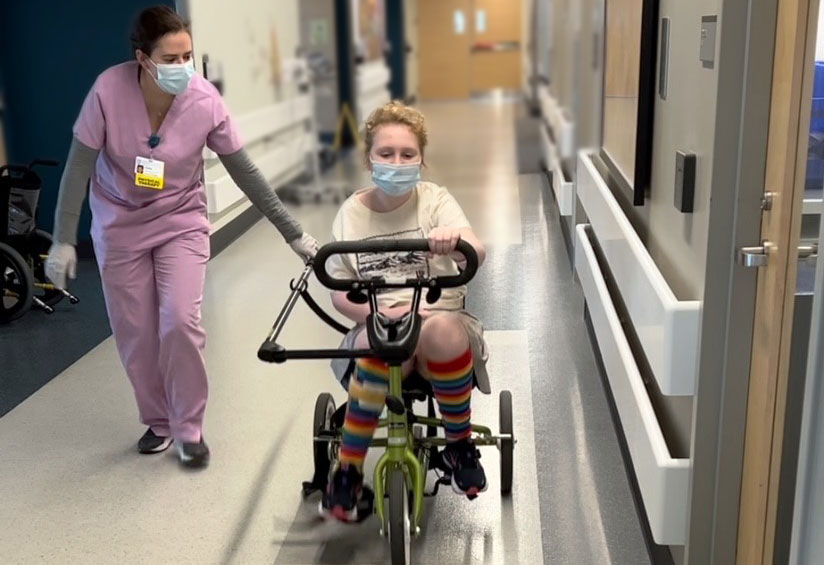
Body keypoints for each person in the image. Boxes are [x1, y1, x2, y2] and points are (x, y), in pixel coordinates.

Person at [45, 6, 318, 469]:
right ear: (142, 59)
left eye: (188, 56)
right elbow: (78, 167)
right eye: (171, 59)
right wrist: (62, 238)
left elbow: (245, 172)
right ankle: (158, 421)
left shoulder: (204, 100)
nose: (183, 68)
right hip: (118, 225)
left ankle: (189, 427)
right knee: (136, 333)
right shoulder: (108, 92)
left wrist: (293, 234)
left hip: (180, 222)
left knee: (179, 321)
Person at [322, 101, 489, 522]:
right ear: (369, 159)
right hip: (380, 326)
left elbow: (478, 249)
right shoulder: (351, 214)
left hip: (439, 323)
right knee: (375, 344)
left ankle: (458, 444)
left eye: (407, 154)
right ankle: (348, 469)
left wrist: (456, 237)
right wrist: (373, 315)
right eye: (386, 154)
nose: (397, 162)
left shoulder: (435, 201)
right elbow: (338, 290)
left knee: (442, 331)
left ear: (421, 159)